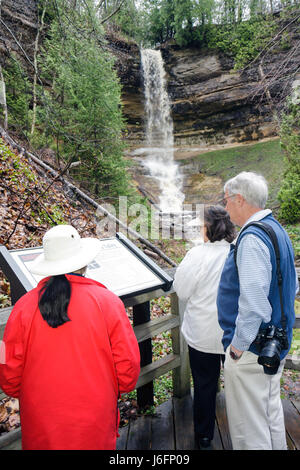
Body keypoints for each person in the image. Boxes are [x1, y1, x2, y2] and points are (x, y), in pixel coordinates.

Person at [0, 225, 140, 450]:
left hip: (41, 421)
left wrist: (27, 393)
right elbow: (129, 365)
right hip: (94, 418)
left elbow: (6, 363)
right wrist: (112, 389)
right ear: (83, 262)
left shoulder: (22, 308)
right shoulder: (108, 302)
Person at [217, 171, 298, 450]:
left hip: (252, 349)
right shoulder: (277, 230)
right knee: (269, 416)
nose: (225, 208)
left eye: (227, 201)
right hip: (274, 344)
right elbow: (291, 284)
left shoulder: (252, 238)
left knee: (248, 429)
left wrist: (238, 346)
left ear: (240, 199)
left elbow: (252, 303)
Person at [173, 205, 236, 450]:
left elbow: (182, 290)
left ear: (209, 228)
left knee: (204, 385)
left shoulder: (197, 255)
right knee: (237, 386)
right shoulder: (237, 251)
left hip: (202, 334)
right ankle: (242, 432)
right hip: (233, 335)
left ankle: (204, 437)